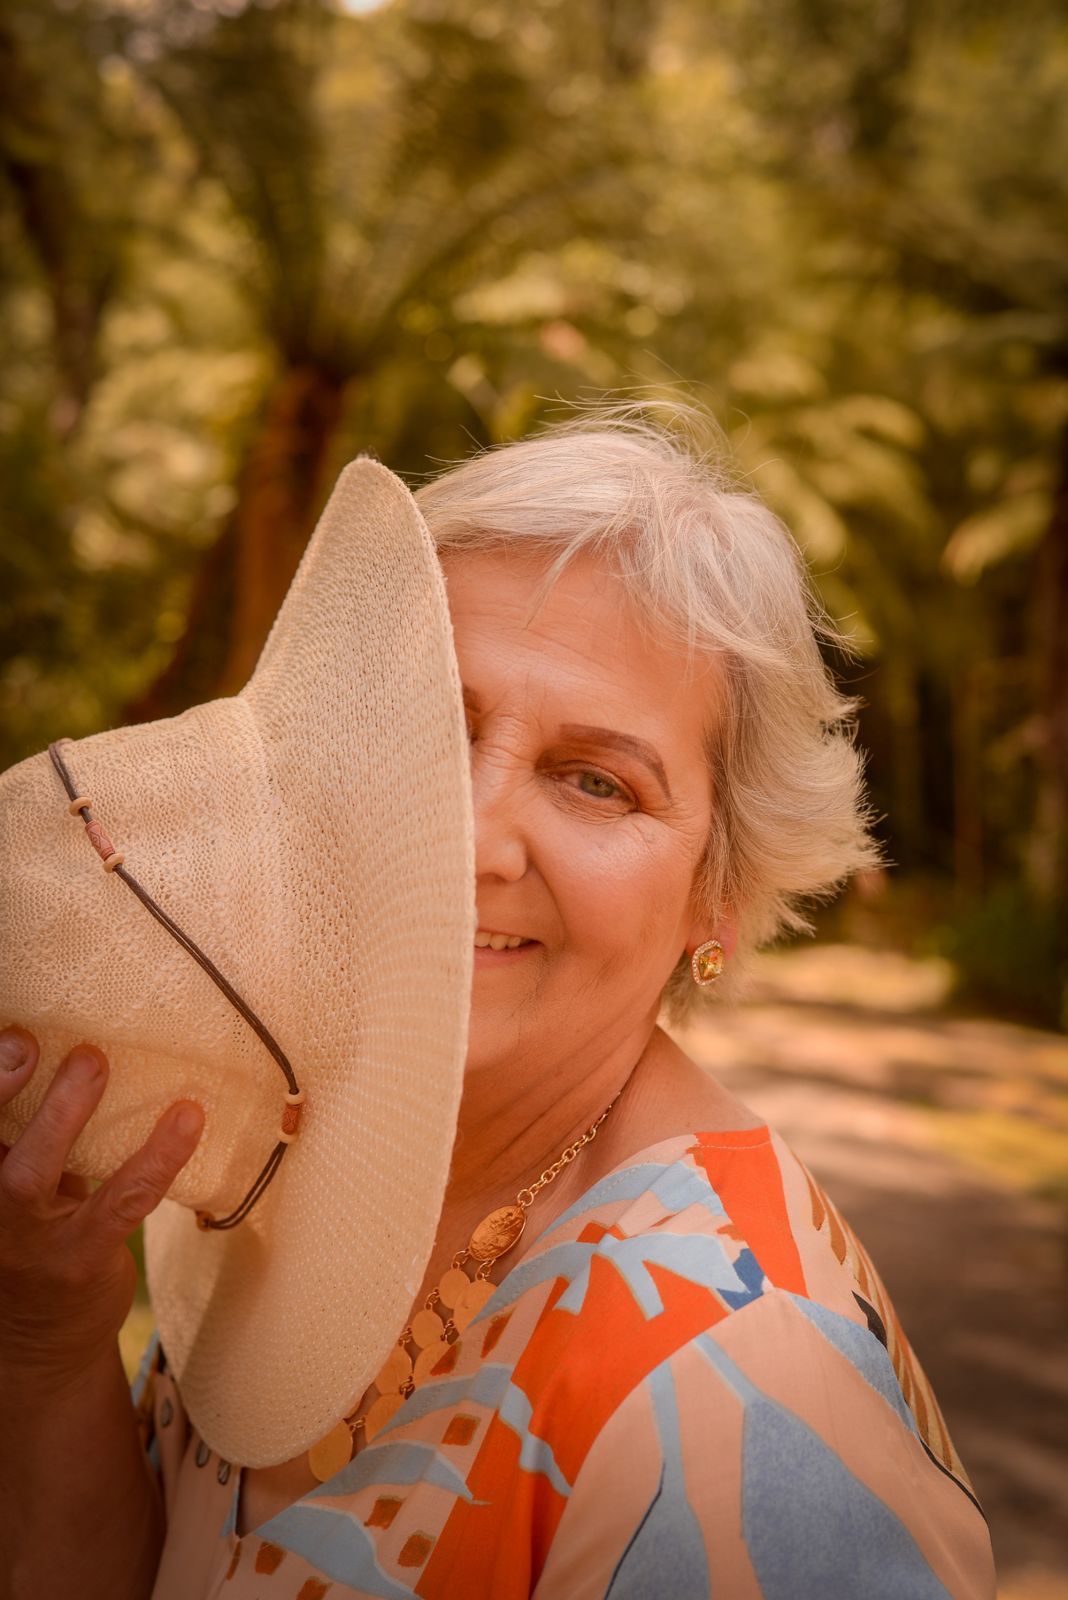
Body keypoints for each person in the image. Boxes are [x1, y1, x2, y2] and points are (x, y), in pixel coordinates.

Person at [0, 409, 996, 1598]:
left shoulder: (732, 1395)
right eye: (437, 728)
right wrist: (57, 1344)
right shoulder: (298, 1123)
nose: (468, 833)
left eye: (596, 781)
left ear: (716, 903)